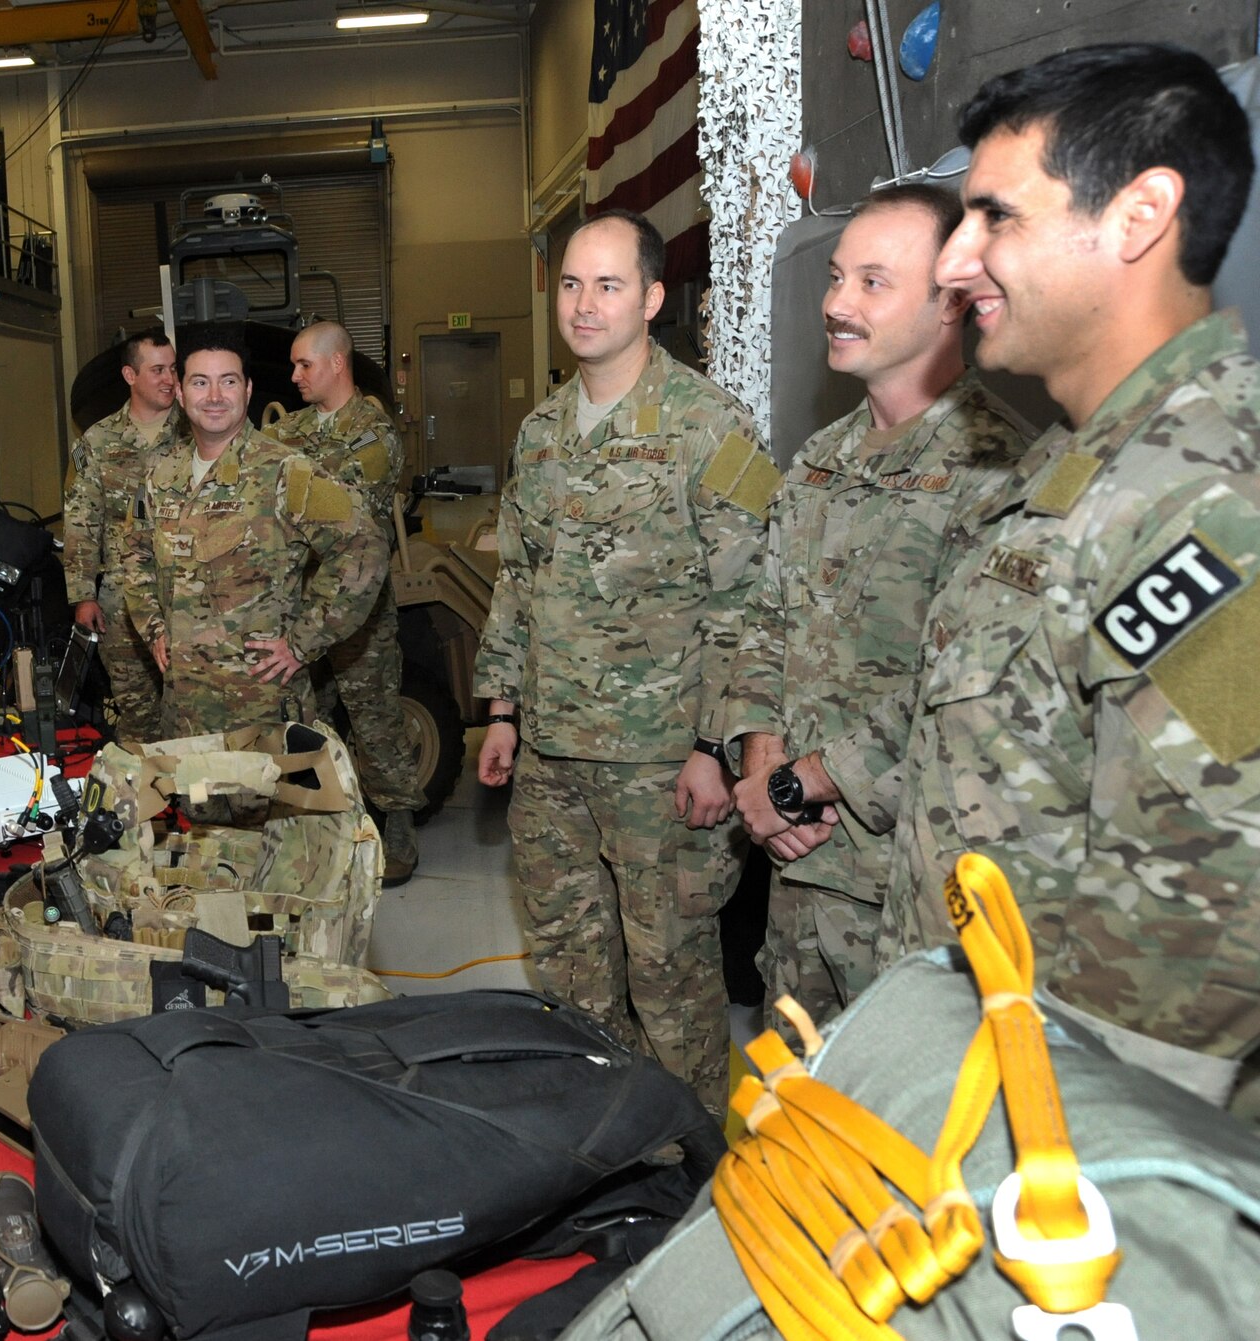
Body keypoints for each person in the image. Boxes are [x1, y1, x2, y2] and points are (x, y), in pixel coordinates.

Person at [871, 43, 1260, 1108]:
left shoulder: (1206, 502)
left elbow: (1197, 930)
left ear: (1137, 215)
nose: (953, 264)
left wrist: (1041, 1148)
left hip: (1071, 1144)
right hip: (975, 1073)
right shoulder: (1084, 465)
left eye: (994, 217)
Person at [473, 210, 770, 1116]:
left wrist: (718, 747)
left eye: (607, 284)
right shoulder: (542, 433)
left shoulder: (709, 425)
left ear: (649, 297)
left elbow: (748, 600)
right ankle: (605, 1154)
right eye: (570, 284)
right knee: (572, 976)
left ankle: (695, 1174)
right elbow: (519, 580)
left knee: (672, 984)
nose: (584, 303)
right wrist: (501, 711)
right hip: (553, 760)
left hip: (659, 762)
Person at [721, 186, 1031, 1024]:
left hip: (911, 890)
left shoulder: (999, 472)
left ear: (951, 304)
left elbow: (963, 684)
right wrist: (761, 771)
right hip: (798, 876)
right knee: (794, 1118)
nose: (835, 304)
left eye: (871, 282)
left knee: (904, 1135)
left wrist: (803, 785)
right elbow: (765, 624)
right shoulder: (820, 459)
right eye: (833, 277)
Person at [120, 326, 387, 738]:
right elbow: (134, 553)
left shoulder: (286, 472)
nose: (213, 397)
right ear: (179, 392)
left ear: (247, 391)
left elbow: (365, 548)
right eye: (200, 382)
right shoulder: (160, 477)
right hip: (186, 714)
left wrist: (303, 642)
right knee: (193, 803)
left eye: (227, 382)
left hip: (264, 714)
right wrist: (153, 628)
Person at [271, 321, 427, 885]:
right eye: (292, 366)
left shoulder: (375, 435)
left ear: (337, 363)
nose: (294, 377)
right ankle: (316, 830)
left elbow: (344, 510)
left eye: (303, 365)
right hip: (299, 606)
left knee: (374, 719)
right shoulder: (294, 429)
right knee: (299, 721)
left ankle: (399, 831)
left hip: (358, 608)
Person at [61, 329, 179, 742]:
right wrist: (83, 595)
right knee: (136, 712)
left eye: (173, 368)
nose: (170, 379)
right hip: (123, 602)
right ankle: (145, 802)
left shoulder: (199, 428)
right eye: (158, 370)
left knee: (194, 715)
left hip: (189, 599)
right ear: (130, 375)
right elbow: (80, 521)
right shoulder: (98, 442)